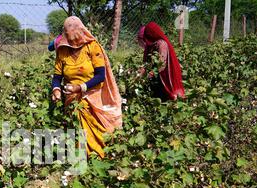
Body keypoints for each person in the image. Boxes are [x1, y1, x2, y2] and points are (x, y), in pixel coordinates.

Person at [51, 16, 122, 158]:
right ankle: (80, 158)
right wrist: (56, 90)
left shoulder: (92, 46)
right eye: (70, 39)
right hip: (72, 98)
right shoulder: (62, 51)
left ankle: (99, 157)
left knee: (96, 132)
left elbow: (100, 75)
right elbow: (57, 77)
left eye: (75, 39)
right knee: (76, 129)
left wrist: (81, 87)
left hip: (92, 96)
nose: (73, 43)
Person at [137, 22, 185, 101]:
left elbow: (161, 65)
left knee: (169, 96)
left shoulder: (162, 44)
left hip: (165, 74)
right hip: (157, 75)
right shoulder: (151, 45)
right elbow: (146, 62)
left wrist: (149, 74)